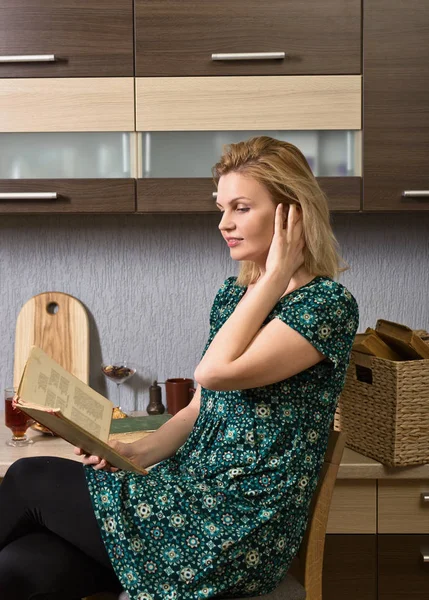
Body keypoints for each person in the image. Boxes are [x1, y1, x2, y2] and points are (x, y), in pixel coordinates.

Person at [0, 136, 359, 600]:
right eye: (221, 207)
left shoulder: (326, 305)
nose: (224, 223)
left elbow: (212, 373)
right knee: (19, 568)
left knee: (31, 478)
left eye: (241, 208)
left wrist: (271, 280)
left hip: (236, 526)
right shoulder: (233, 296)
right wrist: (140, 452)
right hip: (183, 497)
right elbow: (200, 407)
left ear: (291, 214)